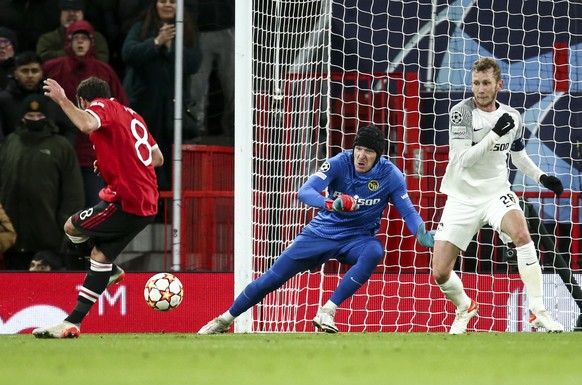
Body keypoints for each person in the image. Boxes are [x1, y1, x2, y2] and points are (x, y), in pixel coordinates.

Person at [198, 125, 436, 334]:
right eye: (359, 149)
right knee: (271, 279)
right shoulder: (338, 163)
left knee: (374, 251)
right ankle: (224, 319)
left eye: (369, 151)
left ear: (378, 156)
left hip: (358, 238)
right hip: (321, 233)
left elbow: (408, 211)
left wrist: (421, 233)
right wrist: (330, 203)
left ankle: (327, 311)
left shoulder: (391, 175)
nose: (361, 156)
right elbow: (305, 191)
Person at [432, 57, 565, 334]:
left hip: (496, 194)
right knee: (440, 272)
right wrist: (493, 135)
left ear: (498, 85)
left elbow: (517, 156)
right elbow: (463, 160)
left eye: (486, 83)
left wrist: (541, 177)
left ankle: (538, 311)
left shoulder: (512, 117)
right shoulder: (462, 113)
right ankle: (465, 306)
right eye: (476, 83)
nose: (480, 90)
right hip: (462, 198)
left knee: (522, 234)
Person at [33, 76, 164, 339]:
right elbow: (156, 157)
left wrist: (61, 98)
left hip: (126, 200)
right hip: (147, 202)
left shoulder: (103, 107)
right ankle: (73, 322)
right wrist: (113, 161)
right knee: (101, 257)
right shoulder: (132, 115)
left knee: (71, 227)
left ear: (84, 100)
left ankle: (111, 272)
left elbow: (85, 123)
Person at [43, 20, 128, 208]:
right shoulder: (53, 68)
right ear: (68, 42)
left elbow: (120, 107)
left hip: (93, 154)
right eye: (76, 38)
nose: (80, 42)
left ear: (92, 42)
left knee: (94, 208)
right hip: (58, 150)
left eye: (85, 38)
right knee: (58, 206)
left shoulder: (104, 71)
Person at [122, 0, 201, 191]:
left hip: (173, 109)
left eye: (172, 2)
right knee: (143, 156)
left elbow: (194, 63)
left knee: (171, 158)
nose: (168, 5)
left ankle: (167, 206)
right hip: (144, 107)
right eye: (163, 1)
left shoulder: (187, 31)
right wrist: (156, 42)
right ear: (154, 5)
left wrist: (171, 47)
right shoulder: (140, 28)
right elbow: (128, 53)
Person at [0, 94, 84, 270]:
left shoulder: (61, 146)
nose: (35, 119)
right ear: (22, 117)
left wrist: (65, 233)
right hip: (13, 242)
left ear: (47, 118)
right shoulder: (9, 144)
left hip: (49, 242)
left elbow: (73, 195)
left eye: (39, 116)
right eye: (30, 116)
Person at [189, 0, 234, 143]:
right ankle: (194, 130)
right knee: (196, 87)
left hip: (229, 27)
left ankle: (234, 129)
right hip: (200, 30)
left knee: (233, 85)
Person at [0, 51, 65, 140]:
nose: (30, 76)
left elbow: (68, 128)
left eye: (34, 71)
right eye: (25, 71)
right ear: (15, 74)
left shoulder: (52, 98)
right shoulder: (3, 100)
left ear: (41, 73)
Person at [36, 0, 109, 64]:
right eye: (67, 10)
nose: (71, 14)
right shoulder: (47, 39)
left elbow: (102, 60)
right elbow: (41, 59)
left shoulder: (96, 37)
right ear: (60, 14)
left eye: (76, 10)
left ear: (83, 14)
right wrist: (71, 51)